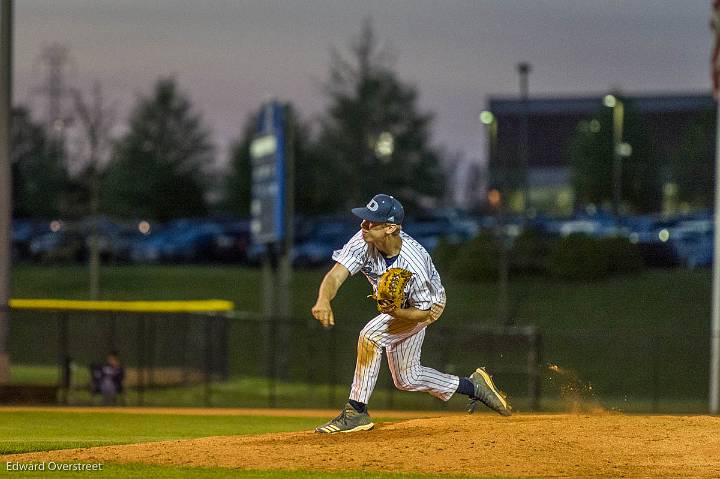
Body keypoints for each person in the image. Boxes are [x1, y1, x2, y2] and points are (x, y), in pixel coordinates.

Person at [311, 194, 511, 434]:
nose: (363, 225)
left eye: (371, 222)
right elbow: (335, 275)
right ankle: (473, 386)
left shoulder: (413, 261)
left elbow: (422, 313)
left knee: (370, 336)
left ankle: (356, 412)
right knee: (407, 378)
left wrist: (395, 311)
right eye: (364, 220)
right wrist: (323, 299)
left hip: (426, 307)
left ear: (391, 228)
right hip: (402, 309)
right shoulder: (362, 240)